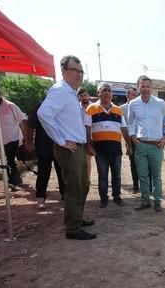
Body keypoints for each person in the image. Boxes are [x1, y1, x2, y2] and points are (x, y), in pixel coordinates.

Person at [38, 55, 96, 240]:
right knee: (74, 187)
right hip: (69, 148)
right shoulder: (60, 91)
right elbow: (43, 114)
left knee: (83, 185)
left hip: (77, 146)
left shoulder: (71, 93)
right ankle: (72, 228)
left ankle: (76, 218)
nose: (79, 75)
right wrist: (61, 140)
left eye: (81, 71)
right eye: (75, 71)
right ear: (64, 71)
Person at [127, 75, 165, 212]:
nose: (145, 89)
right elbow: (130, 122)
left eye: (148, 86)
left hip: (157, 145)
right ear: (138, 87)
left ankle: (157, 202)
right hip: (141, 144)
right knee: (142, 175)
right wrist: (132, 136)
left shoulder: (160, 103)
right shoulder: (133, 104)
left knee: (156, 176)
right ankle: (145, 201)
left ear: (152, 87)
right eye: (142, 86)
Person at [86, 82, 128, 208]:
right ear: (98, 93)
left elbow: (124, 129)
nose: (107, 92)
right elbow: (87, 128)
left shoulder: (118, 110)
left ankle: (117, 196)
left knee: (117, 174)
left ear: (112, 94)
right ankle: (103, 198)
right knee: (103, 175)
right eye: (104, 90)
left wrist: (129, 145)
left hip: (116, 149)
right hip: (100, 150)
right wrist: (88, 145)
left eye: (109, 90)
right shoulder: (91, 109)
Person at [0, 84, 29, 188]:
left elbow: (23, 120)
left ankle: (11, 181)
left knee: (9, 160)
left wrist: (26, 138)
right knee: (9, 160)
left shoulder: (11, 106)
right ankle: (17, 179)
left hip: (13, 138)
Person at [27, 96, 64, 209]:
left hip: (60, 145)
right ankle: (40, 198)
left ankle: (65, 196)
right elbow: (30, 126)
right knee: (43, 173)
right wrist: (29, 142)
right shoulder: (39, 107)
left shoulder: (61, 106)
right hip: (43, 147)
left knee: (62, 172)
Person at [120, 86, 139, 194]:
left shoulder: (141, 106)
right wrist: (128, 144)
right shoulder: (122, 109)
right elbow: (123, 127)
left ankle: (148, 186)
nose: (135, 97)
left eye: (136, 95)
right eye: (133, 95)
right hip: (130, 140)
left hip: (142, 138)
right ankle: (136, 186)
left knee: (145, 163)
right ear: (127, 96)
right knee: (134, 164)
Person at [77, 87, 95, 178]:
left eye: (85, 95)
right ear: (79, 97)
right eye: (81, 96)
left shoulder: (94, 107)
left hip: (91, 136)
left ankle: (87, 180)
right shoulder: (75, 108)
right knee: (79, 160)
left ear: (88, 96)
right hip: (78, 137)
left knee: (88, 159)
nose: (84, 97)